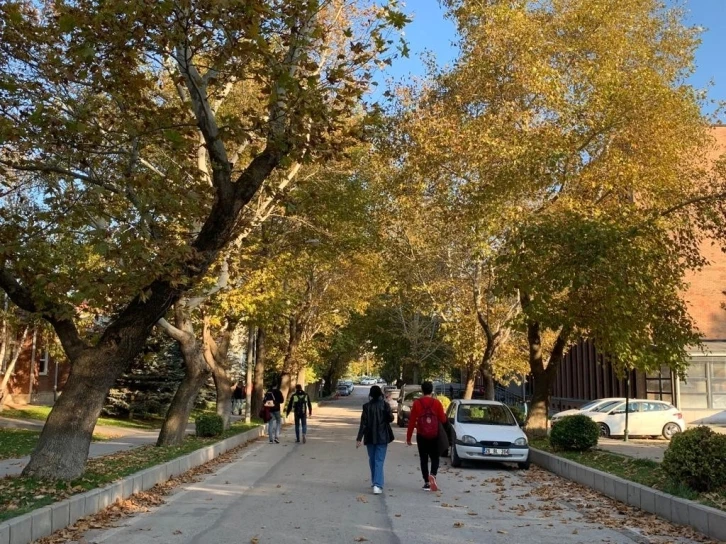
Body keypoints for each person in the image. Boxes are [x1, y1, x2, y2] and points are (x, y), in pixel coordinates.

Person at [406, 381, 447, 491]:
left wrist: (408, 438)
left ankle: (426, 482)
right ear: (431, 390)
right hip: (434, 435)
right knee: (435, 458)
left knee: (423, 459)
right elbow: (443, 419)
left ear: (422, 390)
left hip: (421, 435)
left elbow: (411, 421)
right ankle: (433, 474)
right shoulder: (437, 403)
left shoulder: (417, 403)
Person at [356, 385, 394, 495]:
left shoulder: (366, 406)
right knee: (379, 460)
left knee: (372, 460)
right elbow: (391, 419)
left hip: (370, 436)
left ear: (371, 395)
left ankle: (375, 481)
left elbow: (363, 424)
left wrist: (359, 438)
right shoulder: (385, 405)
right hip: (382, 437)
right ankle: (377, 485)